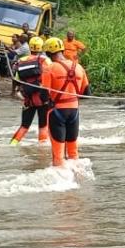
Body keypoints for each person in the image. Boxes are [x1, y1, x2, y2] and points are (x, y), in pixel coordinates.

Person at [42, 37, 91, 166]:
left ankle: (61, 182)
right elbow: (87, 93)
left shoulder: (49, 68)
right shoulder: (79, 67)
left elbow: (43, 96)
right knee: (73, 153)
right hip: (74, 112)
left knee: (58, 155)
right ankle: (77, 180)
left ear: (48, 53)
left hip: (56, 112)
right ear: (62, 50)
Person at [10, 39, 54, 145]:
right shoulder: (45, 60)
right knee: (43, 126)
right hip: (43, 99)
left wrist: (15, 91)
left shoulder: (21, 61)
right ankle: (42, 149)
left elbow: (17, 79)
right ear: (41, 47)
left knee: (24, 126)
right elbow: (52, 76)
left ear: (30, 47)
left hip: (28, 99)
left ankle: (12, 144)